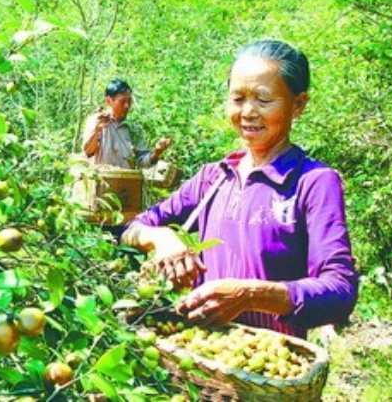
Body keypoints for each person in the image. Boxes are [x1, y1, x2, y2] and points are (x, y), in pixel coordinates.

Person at [121, 39, 358, 339]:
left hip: (267, 372)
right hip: (202, 360)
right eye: (238, 98)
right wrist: (160, 238)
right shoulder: (215, 178)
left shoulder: (313, 182)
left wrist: (249, 295)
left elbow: (340, 292)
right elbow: (132, 228)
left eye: (263, 99)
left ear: (298, 104)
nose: (248, 112)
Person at [82, 79, 172, 169]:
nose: (127, 106)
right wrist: (97, 130)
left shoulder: (134, 128)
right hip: (101, 180)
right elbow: (87, 152)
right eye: (122, 102)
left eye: (129, 101)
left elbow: (142, 161)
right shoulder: (96, 121)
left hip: (126, 180)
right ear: (109, 101)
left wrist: (157, 152)